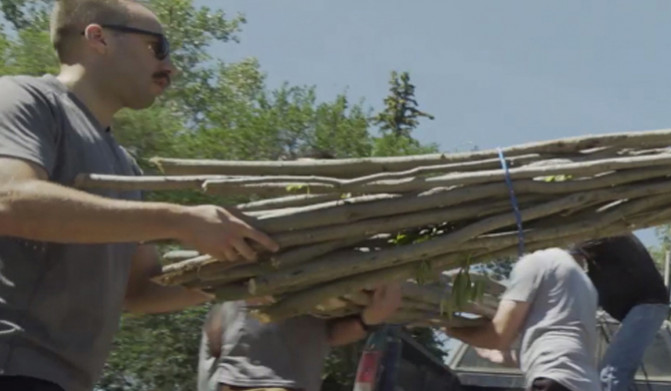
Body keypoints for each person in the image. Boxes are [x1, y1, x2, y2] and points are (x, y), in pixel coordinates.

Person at [0, 1, 280, 390]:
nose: (171, 68)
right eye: (158, 47)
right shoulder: (24, 99)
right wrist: (179, 220)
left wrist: (243, 274)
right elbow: (9, 200)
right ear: (97, 38)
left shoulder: (125, 165)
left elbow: (139, 289)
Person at [444, 247, 601, 391]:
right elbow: (556, 346)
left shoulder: (537, 262)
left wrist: (451, 330)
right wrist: (489, 353)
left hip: (556, 380)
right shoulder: (582, 282)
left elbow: (498, 336)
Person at [197, 284, 404, 391]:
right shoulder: (251, 270)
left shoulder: (323, 289)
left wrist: (368, 320)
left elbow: (328, 336)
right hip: (247, 383)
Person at [570, 234, 670, 391]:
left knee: (612, 372)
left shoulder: (609, 235)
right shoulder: (599, 263)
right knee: (614, 372)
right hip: (644, 307)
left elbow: (574, 262)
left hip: (647, 305)